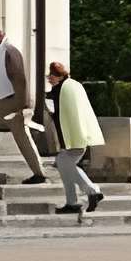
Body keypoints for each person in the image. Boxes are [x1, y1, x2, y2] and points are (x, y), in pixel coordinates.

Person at [0, 23, 46, 183]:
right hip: (7, 100)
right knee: (21, 136)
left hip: (12, 101)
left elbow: (19, 79)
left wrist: (21, 104)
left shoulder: (9, 51)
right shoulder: (0, 52)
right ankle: (39, 173)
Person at [47, 60, 107, 215]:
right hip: (79, 135)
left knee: (63, 162)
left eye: (51, 75)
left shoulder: (59, 90)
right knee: (65, 165)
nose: (49, 78)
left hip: (72, 138)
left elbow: (57, 114)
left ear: (59, 77)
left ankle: (92, 190)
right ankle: (72, 202)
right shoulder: (73, 85)